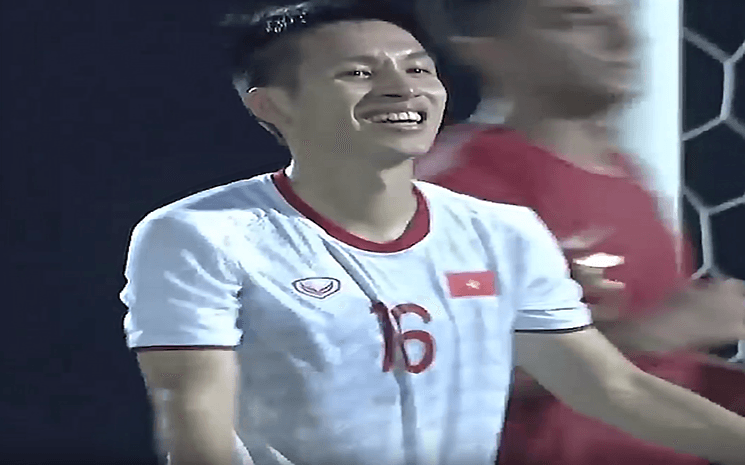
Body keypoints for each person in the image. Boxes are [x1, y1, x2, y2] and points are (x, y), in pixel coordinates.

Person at [120, 1, 745, 465]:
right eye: (358, 73)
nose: (402, 88)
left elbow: (610, 386)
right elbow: (193, 416)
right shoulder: (201, 235)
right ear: (273, 106)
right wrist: (663, 330)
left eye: (419, 68)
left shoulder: (504, 232)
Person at [412, 0, 745, 464]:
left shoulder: (630, 180)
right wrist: (658, 332)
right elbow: (425, 375)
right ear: (490, 50)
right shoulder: (456, 190)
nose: (621, 37)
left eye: (620, 14)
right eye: (575, 19)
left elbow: (658, 371)